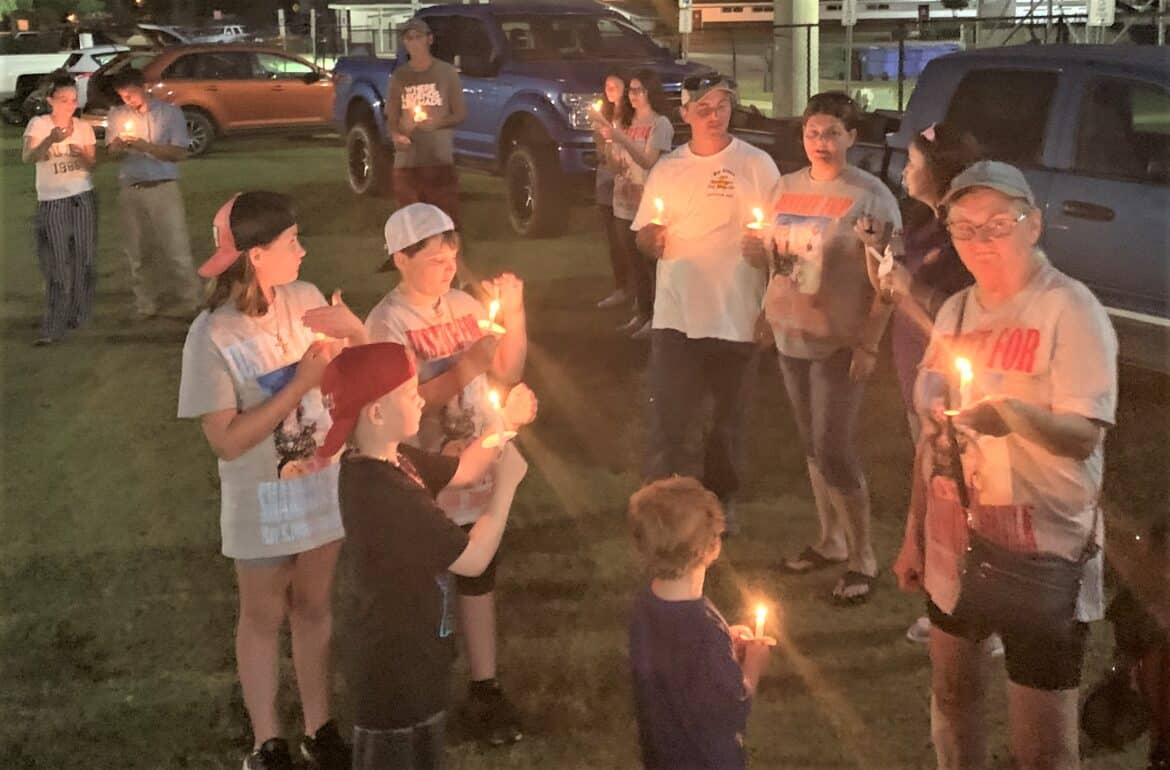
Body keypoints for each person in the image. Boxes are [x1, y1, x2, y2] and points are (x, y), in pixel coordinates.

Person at [893, 161, 1118, 770]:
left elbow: (1082, 437)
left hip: (1041, 549)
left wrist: (1013, 416)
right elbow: (932, 439)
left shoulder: (1069, 309)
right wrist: (913, 535)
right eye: (964, 227)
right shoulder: (955, 312)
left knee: (1042, 746)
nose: (980, 240)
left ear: (1033, 224)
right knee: (954, 694)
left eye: (997, 224)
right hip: (954, 542)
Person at [178, 192, 368, 770]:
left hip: (321, 490)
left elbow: (350, 382)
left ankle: (320, 727)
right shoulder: (213, 335)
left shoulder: (305, 299)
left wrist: (354, 334)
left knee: (314, 606)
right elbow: (227, 441)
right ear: (256, 256)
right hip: (261, 503)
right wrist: (298, 383)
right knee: (262, 616)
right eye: (291, 242)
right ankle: (268, 743)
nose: (302, 251)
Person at [317, 341, 534, 770]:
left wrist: (504, 425)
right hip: (393, 679)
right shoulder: (382, 492)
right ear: (376, 413)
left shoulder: (392, 459)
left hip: (419, 664)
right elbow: (472, 559)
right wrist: (506, 487)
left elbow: (464, 470)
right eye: (408, 392)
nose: (421, 398)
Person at [366, 203, 531, 746]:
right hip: (426, 471)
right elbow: (404, 401)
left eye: (452, 254)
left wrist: (515, 315)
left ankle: (485, 686)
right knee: (431, 583)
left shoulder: (464, 305)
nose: (447, 265)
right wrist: (470, 365)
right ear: (400, 258)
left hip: (474, 466)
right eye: (433, 257)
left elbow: (507, 368)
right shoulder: (388, 323)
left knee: (479, 573)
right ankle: (424, 685)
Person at [746, 92, 901, 604]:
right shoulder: (785, 188)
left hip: (839, 339)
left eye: (832, 132)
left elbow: (888, 280)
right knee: (812, 445)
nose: (821, 142)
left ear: (852, 137)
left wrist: (870, 343)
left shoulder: (870, 196)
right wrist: (762, 289)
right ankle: (830, 539)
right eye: (813, 132)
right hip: (790, 331)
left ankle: (863, 557)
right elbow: (776, 261)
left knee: (833, 447)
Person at [632, 75, 780, 530]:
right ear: (685, 113)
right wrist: (650, 240)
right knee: (669, 419)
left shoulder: (757, 165)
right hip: (676, 316)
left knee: (726, 422)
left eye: (722, 106)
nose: (714, 116)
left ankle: (720, 501)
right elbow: (642, 233)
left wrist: (766, 254)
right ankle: (662, 504)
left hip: (736, 315)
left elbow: (781, 241)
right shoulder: (668, 169)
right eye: (704, 108)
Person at [878, 122, 980, 642]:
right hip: (916, 369)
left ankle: (969, 606)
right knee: (932, 486)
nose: (904, 172)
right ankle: (946, 596)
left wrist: (909, 286)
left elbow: (964, 314)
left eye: (914, 163)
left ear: (938, 172)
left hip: (948, 380)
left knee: (958, 490)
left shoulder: (964, 235)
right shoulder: (923, 223)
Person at [627, 476, 772, 769]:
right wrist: (753, 665)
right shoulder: (705, 629)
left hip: (663, 754)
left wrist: (727, 640)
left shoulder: (643, 608)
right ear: (711, 547)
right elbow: (731, 705)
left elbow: (678, 661)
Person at [106, 67, 202, 320]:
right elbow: (111, 153)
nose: (128, 100)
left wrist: (145, 147)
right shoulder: (117, 115)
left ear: (144, 87)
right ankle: (146, 302)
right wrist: (118, 147)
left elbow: (178, 153)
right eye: (123, 96)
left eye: (131, 94)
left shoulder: (170, 113)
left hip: (163, 187)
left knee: (176, 248)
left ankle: (191, 301)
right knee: (137, 250)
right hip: (131, 187)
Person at [21, 73, 97, 346]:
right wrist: (49, 140)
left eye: (74, 100)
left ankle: (79, 313)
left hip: (82, 197)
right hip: (53, 200)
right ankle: (54, 324)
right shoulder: (39, 124)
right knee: (56, 263)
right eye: (63, 99)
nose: (70, 105)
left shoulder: (83, 127)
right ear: (50, 100)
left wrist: (82, 155)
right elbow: (28, 157)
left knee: (84, 260)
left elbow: (91, 164)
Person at [599, 69, 673, 339]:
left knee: (650, 262)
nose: (633, 95)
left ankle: (657, 317)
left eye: (638, 90)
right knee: (633, 261)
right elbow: (613, 163)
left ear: (651, 91)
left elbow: (648, 161)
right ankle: (641, 313)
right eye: (630, 90)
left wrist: (621, 139)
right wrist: (609, 144)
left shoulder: (660, 124)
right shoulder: (625, 122)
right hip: (623, 199)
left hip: (648, 200)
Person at [385, 17, 468, 224]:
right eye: (409, 38)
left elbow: (460, 113)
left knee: (444, 224)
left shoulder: (446, 73)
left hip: (439, 161)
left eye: (418, 37)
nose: (413, 43)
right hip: (407, 164)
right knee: (412, 227)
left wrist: (436, 123)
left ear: (429, 40)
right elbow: (392, 116)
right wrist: (397, 135)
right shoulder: (399, 76)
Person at [594, 71, 633, 310]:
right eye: (607, 86)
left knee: (628, 239)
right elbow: (601, 151)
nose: (610, 90)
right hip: (606, 181)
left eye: (615, 86)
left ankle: (638, 292)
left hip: (627, 183)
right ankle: (621, 288)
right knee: (613, 239)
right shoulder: (603, 117)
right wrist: (603, 139)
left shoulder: (632, 118)